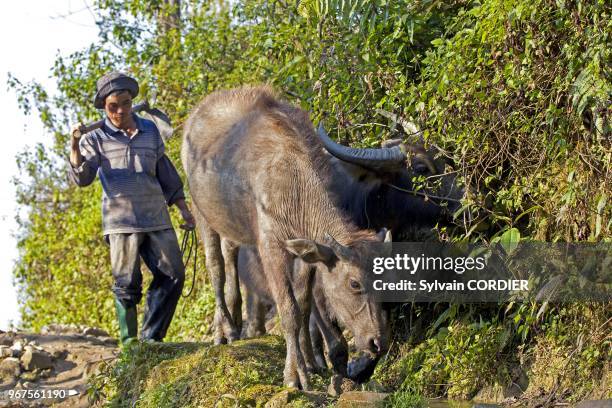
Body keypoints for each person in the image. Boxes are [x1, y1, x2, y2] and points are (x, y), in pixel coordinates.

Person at [68, 71, 195, 344]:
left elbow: (166, 173)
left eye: (125, 103)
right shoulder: (95, 138)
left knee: (174, 275)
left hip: (156, 216)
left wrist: (183, 209)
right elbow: (82, 178)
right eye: (113, 107)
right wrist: (75, 145)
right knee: (126, 285)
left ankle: (151, 339)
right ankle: (129, 346)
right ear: (104, 107)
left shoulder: (149, 130)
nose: (120, 111)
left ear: (131, 100)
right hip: (120, 221)